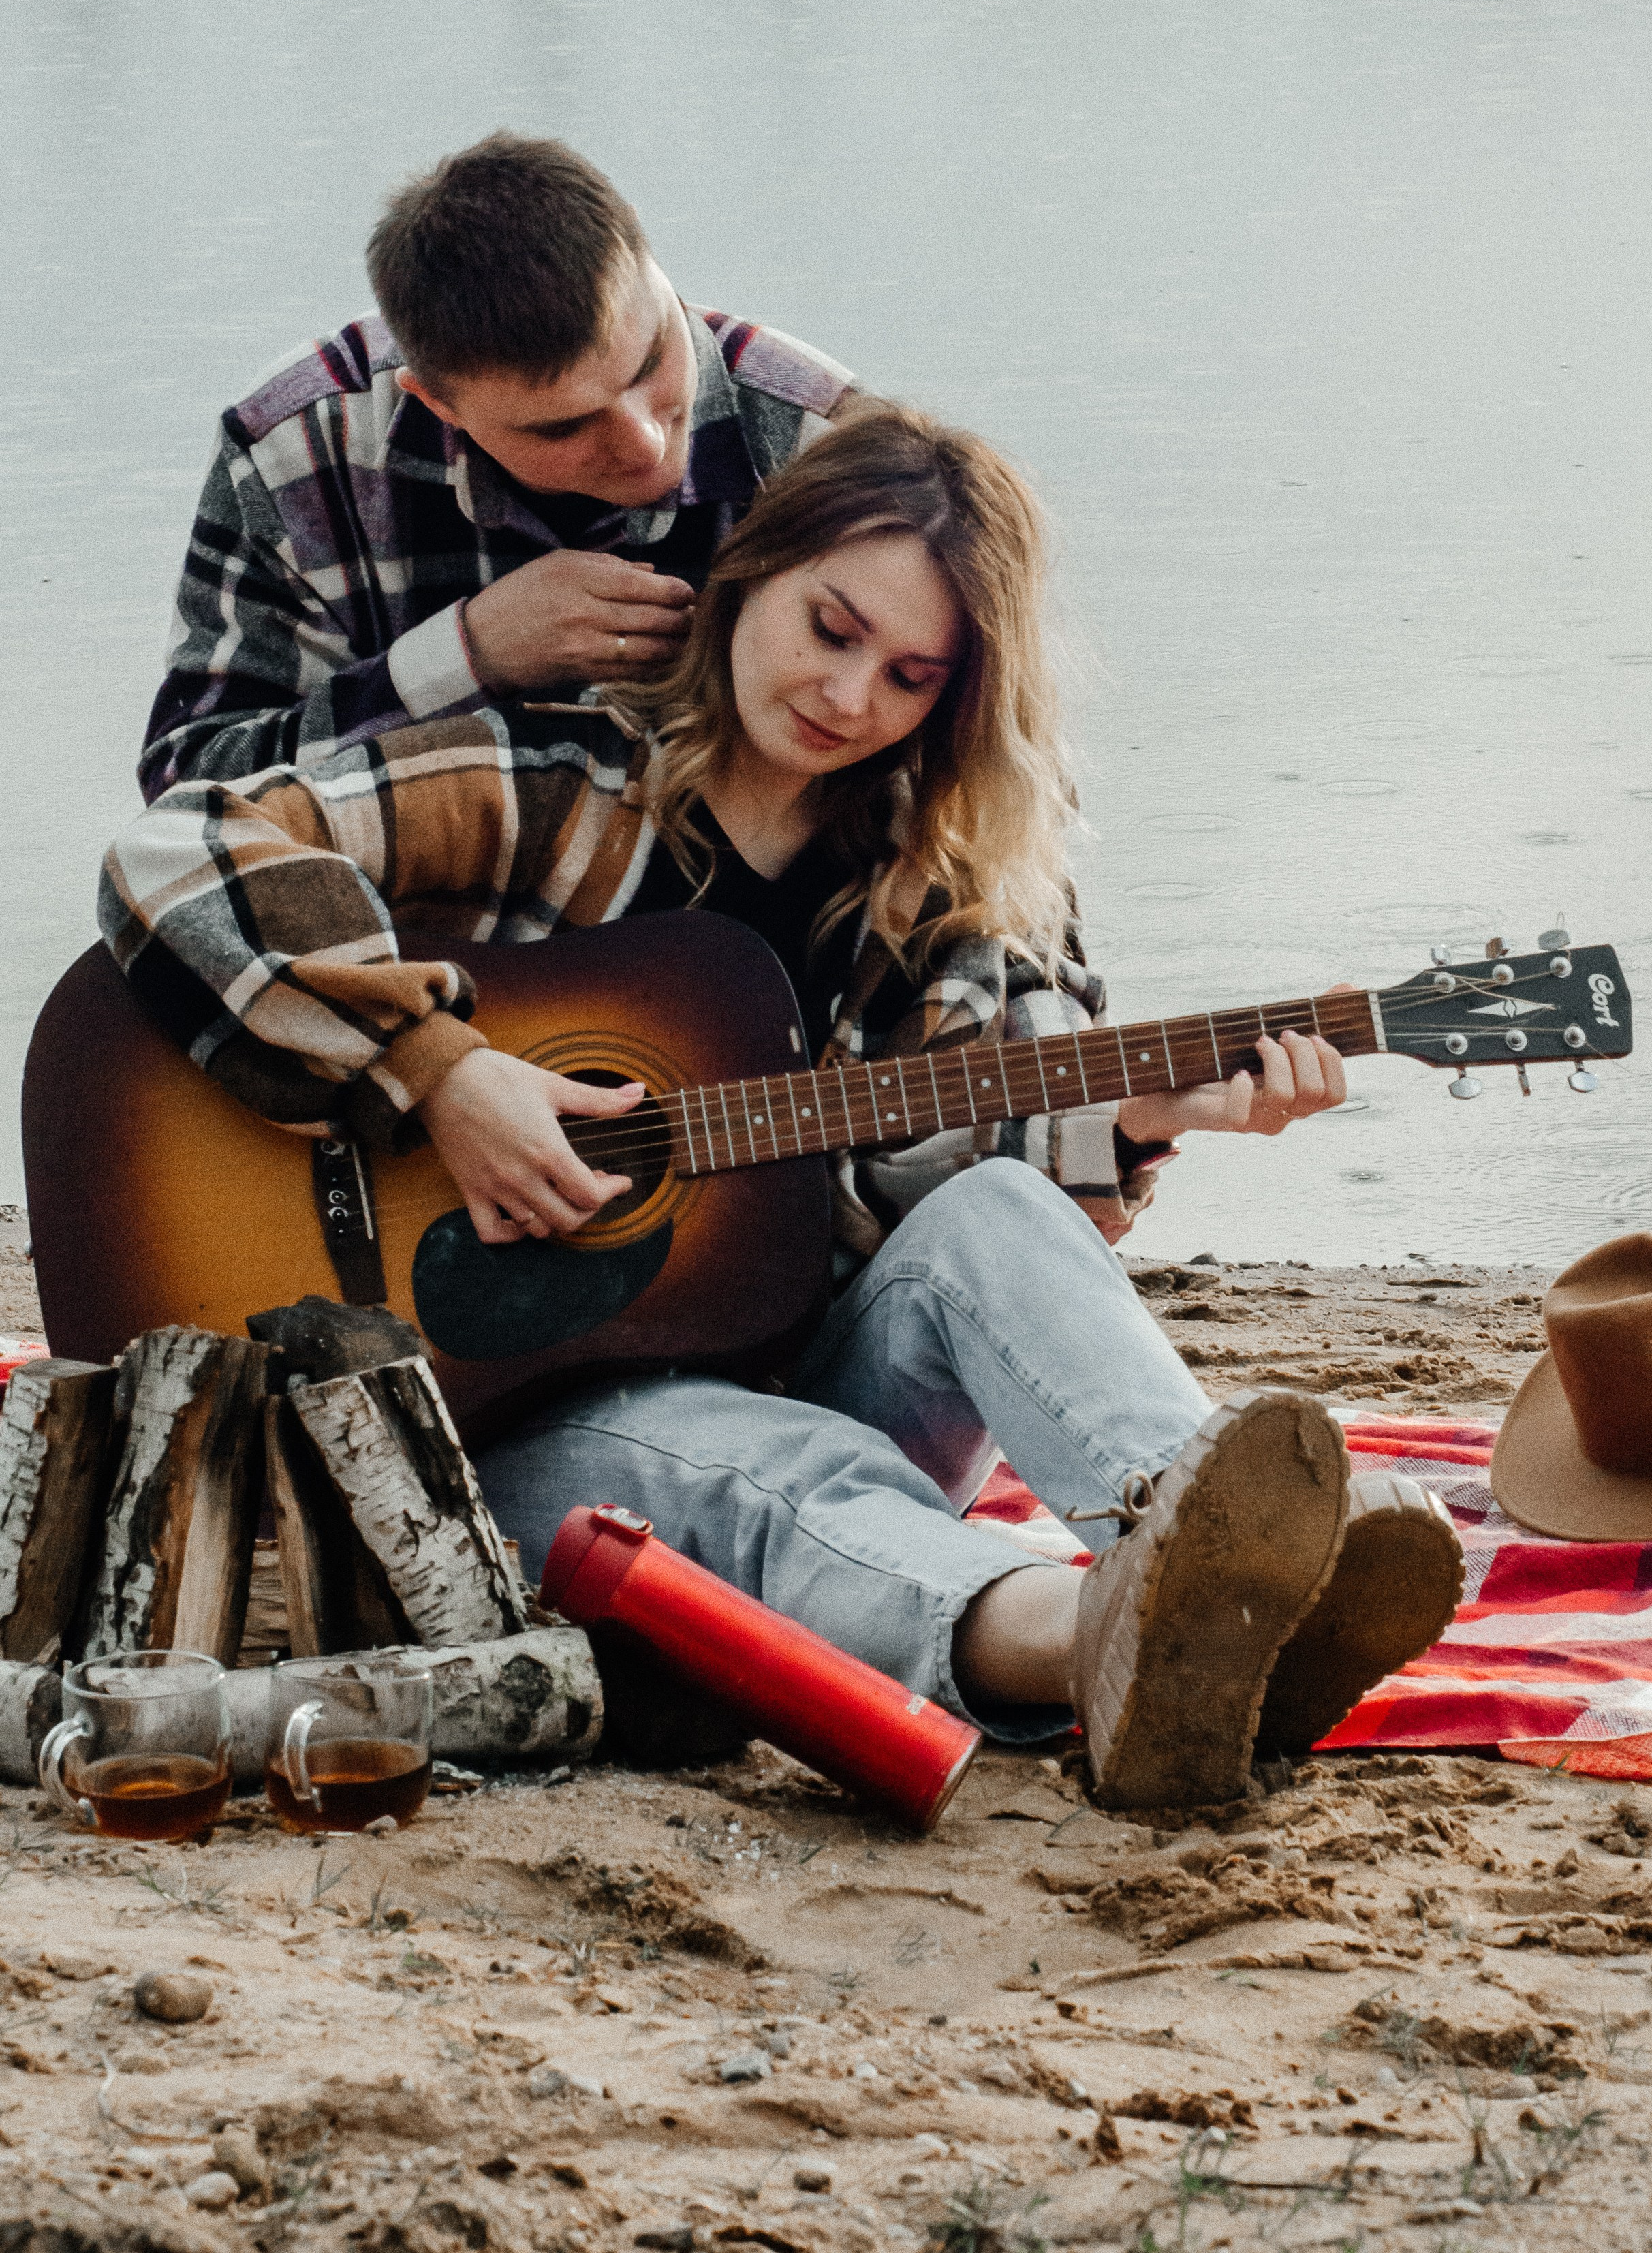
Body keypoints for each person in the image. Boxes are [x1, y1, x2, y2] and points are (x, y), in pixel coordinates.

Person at [102, 409, 1457, 1806]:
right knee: (761, 1462)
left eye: (910, 675)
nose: (850, 693)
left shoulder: (934, 889)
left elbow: (956, 1202)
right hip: (478, 1436)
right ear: (752, 571)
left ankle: (1228, 1565)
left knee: (997, 1209)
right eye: (830, 625)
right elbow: (182, 839)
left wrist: (1141, 1124)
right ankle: (1094, 1636)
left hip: (789, 1374)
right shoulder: (547, 782)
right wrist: (446, 1072)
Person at [138, 133, 864, 802]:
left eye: (651, 363)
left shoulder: (826, 444)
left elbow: (944, 805)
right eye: (564, 427)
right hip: (406, 924)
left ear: (648, 252)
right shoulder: (291, 452)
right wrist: (468, 656)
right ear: (435, 403)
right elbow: (188, 788)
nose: (643, 441)